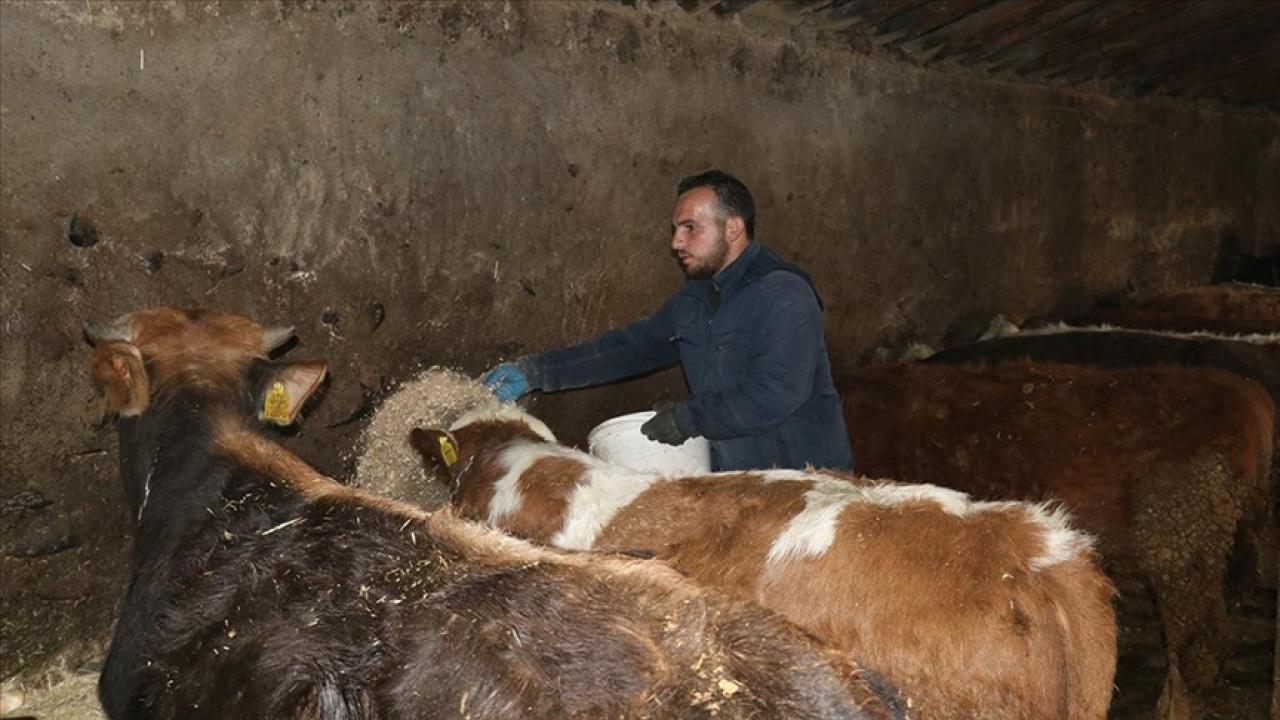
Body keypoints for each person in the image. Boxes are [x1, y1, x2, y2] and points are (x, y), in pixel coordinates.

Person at [482, 170, 852, 472]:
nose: (676, 242)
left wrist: (686, 419)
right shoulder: (696, 298)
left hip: (806, 488)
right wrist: (537, 372)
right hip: (740, 483)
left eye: (690, 228)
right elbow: (629, 348)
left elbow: (774, 394)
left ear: (733, 229)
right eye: (675, 229)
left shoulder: (784, 294)